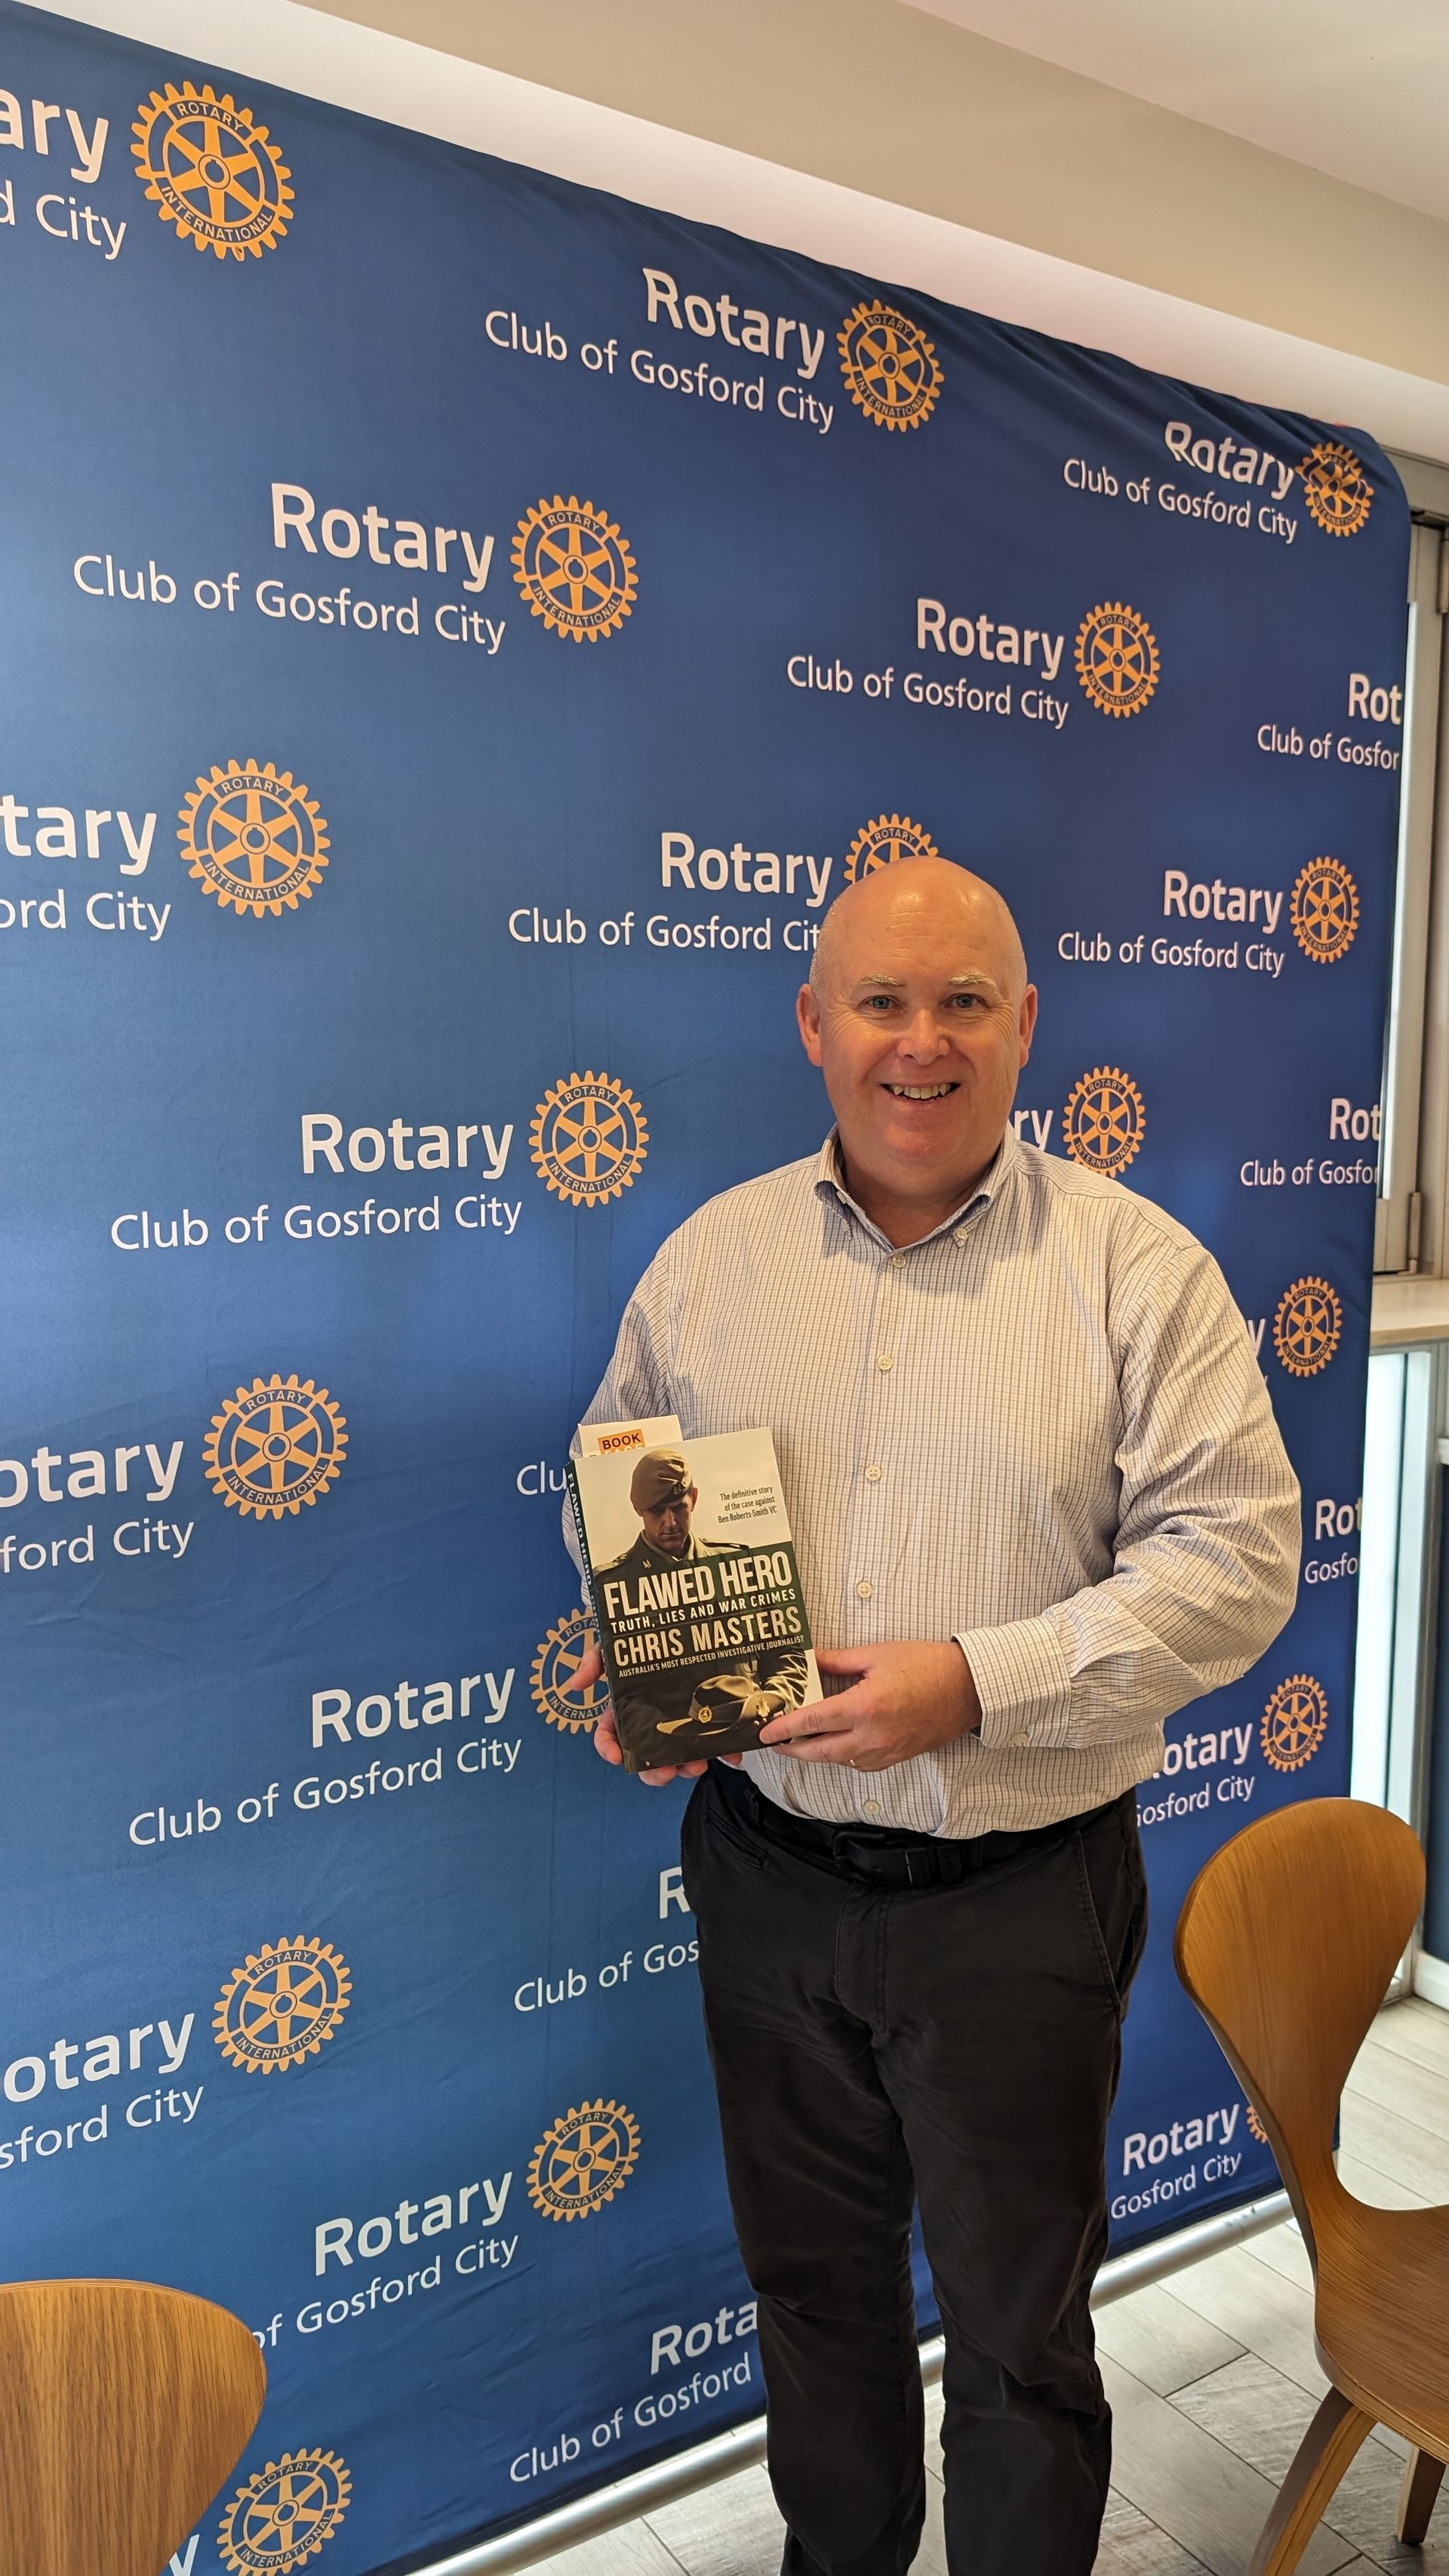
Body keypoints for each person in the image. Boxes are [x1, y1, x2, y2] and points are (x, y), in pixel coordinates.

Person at [569, 858, 1299, 2576]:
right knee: (813, 2300)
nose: (921, 1041)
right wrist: (659, 1659)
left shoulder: (1137, 1268)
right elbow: (629, 1475)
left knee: (1018, 2341)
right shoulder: (709, 1262)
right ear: (814, 1025)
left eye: (964, 999)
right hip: (765, 1877)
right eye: (881, 1002)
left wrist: (977, 1680)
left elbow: (1241, 1563)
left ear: (1025, 1024)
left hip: (1019, 1903)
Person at [594, 1446, 811, 1752]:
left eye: (678, 1507)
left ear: (693, 1498)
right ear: (637, 1509)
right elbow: (625, 1698)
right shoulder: (613, 1585)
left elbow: (787, 1653)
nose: (670, 1522)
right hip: (678, 1748)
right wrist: (679, 1743)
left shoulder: (741, 1564)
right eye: (657, 1511)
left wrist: (771, 1706)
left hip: (762, 1735)